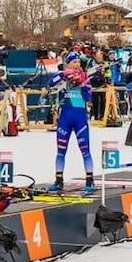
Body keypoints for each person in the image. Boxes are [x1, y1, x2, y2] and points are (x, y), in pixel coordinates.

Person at [47, 54, 97, 190]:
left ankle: (90, 180)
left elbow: (88, 98)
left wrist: (82, 84)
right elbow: (50, 83)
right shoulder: (62, 75)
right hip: (65, 118)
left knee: (85, 150)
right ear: (67, 64)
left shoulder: (84, 76)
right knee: (60, 151)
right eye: (74, 62)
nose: (77, 64)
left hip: (80, 118)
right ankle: (58, 180)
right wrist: (63, 75)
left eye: (78, 62)